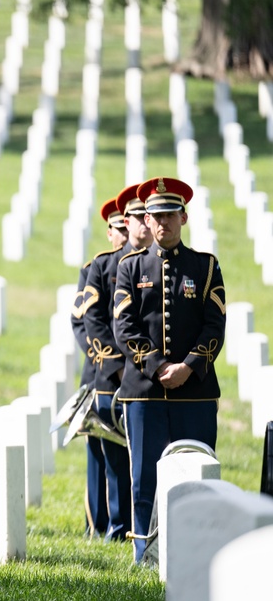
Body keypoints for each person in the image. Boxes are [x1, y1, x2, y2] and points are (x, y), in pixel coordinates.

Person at [113, 177, 226, 563]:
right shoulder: (129, 267)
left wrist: (189, 367)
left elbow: (215, 325)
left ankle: (197, 550)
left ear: (184, 217)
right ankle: (144, 551)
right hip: (144, 391)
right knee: (144, 477)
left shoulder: (206, 267)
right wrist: (159, 367)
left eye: (170, 215)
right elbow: (124, 326)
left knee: (196, 471)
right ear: (148, 218)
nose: (163, 223)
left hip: (194, 390)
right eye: (156, 216)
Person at [82, 191, 145, 541]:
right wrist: (119, 367)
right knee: (115, 459)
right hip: (112, 377)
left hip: (148, 379)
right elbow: (93, 320)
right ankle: (118, 527)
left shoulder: (157, 264)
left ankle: (144, 524)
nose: (134, 226)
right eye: (129, 220)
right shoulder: (102, 265)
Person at [71, 198, 128, 536]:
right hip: (99, 372)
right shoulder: (97, 268)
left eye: (128, 227)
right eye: (119, 228)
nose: (124, 234)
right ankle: (98, 521)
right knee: (99, 448)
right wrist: (108, 362)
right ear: (109, 232)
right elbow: (81, 322)